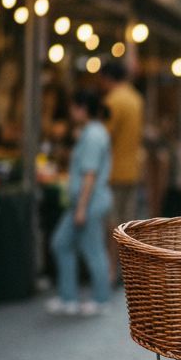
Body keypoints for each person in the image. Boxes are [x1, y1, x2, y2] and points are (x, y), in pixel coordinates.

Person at [46, 90, 112, 316]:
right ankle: (69, 296)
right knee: (63, 243)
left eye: (74, 107)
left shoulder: (93, 135)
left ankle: (99, 298)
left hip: (87, 204)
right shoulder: (92, 132)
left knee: (91, 249)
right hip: (84, 203)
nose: (72, 112)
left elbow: (90, 175)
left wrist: (82, 208)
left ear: (82, 108)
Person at [100, 59, 144, 281]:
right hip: (133, 169)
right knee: (127, 225)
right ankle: (127, 270)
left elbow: (104, 137)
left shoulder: (112, 101)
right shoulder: (135, 98)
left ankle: (110, 271)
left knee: (111, 225)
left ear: (108, 78)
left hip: (113, 171)